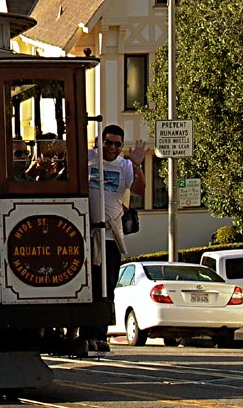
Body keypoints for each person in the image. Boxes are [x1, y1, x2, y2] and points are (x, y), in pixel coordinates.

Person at [83, 124, 146, 352]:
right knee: (87, 286)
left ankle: (100, 334)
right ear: (99, 142)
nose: (111, 148)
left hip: (110, 235)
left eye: (117, 144)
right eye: (108, 142)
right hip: (85, 233)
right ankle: (84, 332)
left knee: (107, 287)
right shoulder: (88, 159)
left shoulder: (125, 166)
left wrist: (137, 164)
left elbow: (139, 190)